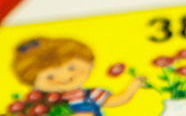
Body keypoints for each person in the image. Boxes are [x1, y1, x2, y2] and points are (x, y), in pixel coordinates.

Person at [12, 38, 145, 116]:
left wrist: (132, 87)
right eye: (50, 77)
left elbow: (117, 100)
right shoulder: (41, 103)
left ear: (89, 63)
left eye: (71, 68)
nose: (65, 77)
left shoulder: (92, 95)